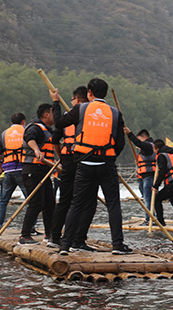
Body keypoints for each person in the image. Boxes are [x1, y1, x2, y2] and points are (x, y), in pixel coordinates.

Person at [50, 78, 132, 255]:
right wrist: (109, 158)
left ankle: (65, 246)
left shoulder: (81, 109)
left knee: (77, 204)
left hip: (84, 165)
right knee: (113, 205)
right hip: (106, 165)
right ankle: (117, 245)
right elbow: (120, 143)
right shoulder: (116, 113)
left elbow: (58, 123)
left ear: (89, 93)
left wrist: (56, 102)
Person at [47, 86, 91, 250]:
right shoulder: (89, 116)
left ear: (77, 100)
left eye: (72, 99)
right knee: (82, 201)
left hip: (68, 159)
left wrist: (61, 156)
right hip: (81, 159)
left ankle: (57, 237)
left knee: (67, 199)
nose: (72, 102)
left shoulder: (68, 116)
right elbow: (56, 138)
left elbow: (55, 140)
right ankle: (75, 239)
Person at [19, 104, 56, 244]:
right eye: (53, 113)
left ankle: (50, 235)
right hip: (32, 170)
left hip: (44, 171)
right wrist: (36, 150)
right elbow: (29, 138)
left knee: (50, 204)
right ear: (46, 114)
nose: (55, 116)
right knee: (36, 203)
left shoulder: (48, 130)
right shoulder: (35, 127)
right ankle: (24, 236)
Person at [0, 113, 28, 232]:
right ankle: (31, 227)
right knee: (30, 201)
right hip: (22, 169)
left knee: (3, 201)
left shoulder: (5, 133)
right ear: (23, 121)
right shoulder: (27, 130)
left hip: (8, 170)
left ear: (12, 122)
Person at [125, 127, 156, 225]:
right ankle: (152, 216)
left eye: (140, 139)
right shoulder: (146, 147)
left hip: (149, 176)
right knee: (145, 196)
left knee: (148, 198)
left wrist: (130, 134)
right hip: (144, 176)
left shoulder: (149, 145)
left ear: (144, 137)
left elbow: (138, 143)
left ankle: (149, 219)